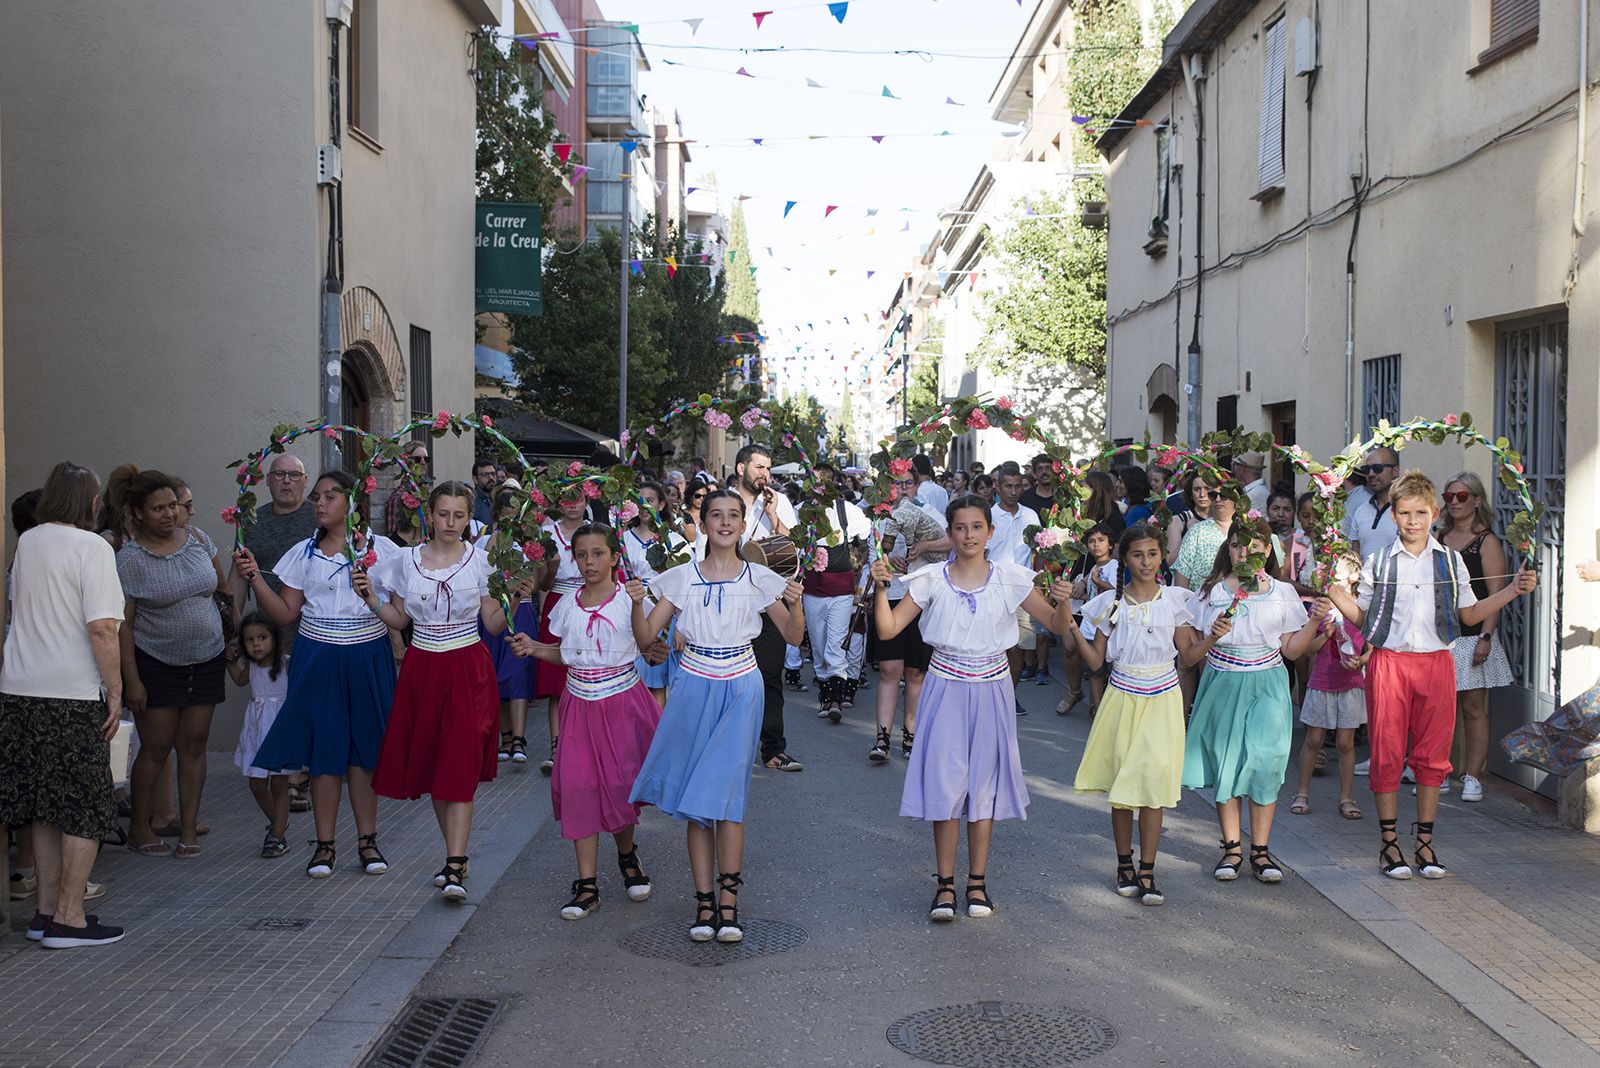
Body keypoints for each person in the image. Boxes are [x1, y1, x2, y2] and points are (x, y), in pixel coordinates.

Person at [1326, 470, 1537, 881]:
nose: (1413, 521)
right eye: (1405, 513)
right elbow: (1365, 619)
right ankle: (1389, 844)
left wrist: (1511, 590)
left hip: (1437, 662)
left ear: (1434, 513)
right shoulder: (1379, 561)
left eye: (1421, 513)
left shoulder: (1450, 560)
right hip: (1390, 663)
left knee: (1433, 755)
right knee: (1387, 752)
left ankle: (1424, 843)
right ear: (1394, 516)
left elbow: (1469, 614)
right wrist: (1333, 592)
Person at [872, 494, 1070, 921]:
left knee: (984, 787)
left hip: (992, 688)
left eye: (977, 527)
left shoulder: (1011, 579)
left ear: (990, 532)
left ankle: (977, 883)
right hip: (944, 686)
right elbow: (888, 629)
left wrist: (1064, 598)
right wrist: (881, 588)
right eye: (960, 528)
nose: (968, 535)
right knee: (946, 786)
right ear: (950, 533)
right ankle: (945, 885)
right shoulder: (931, 579)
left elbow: (1056, 623)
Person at [627, 490, 805, 942]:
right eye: (716, 516)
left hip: (741, 684)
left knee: (724, 793)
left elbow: (792, 636)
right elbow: (647, 637)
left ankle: (729, 902)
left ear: (743, 525)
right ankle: (704, 902)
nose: (725, 523)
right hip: (693, 684)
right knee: (696, 800)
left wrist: (797, 602)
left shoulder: (760, 577)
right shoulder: (681, 576)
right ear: (703, 524)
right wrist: (634, 603)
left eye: (733, 516)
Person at [361, 481, 529, 902]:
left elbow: (492, 624)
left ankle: (455, 863)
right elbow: (399, 620)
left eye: (459, 515)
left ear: (469, 518)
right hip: (422, 667)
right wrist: (370, 600)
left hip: (467, 667)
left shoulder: (482, 562)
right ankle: (455, 855)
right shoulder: (405, 562)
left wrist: (512, 597)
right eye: (443, 514)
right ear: (430, 515)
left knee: (459, 761)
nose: (450, 523)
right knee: (437, 764)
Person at [236, 470, 400, 879]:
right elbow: (285, 614)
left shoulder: (384, 551)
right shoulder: (303, 553)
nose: (320, 504)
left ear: (352, 503)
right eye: (317, 497)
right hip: (318, 656)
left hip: (367, 655)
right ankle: (324, 845)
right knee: (325, 753)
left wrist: (373, 597)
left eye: (330, 496)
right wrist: (254, 576)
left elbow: (401, 614)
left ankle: (368, 841)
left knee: (364, 753)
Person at [0, 461, 126, 947]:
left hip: (19, 688)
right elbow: (102, 627)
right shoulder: (92, 547)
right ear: (92, 502)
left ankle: (45, 913)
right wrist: (114, 690)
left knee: (44, 806)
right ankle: (69, 918)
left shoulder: (29, 541)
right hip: (70, 693)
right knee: (86, 806)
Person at [509, 525, 663, 919]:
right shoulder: (566, 604)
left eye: (598, 554)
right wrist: (535, 648)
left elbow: (647, 644)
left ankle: (627, 855)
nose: (589, 562)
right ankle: (587, 884)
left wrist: (640, 611)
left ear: (615, 557)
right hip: (578, 703)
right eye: (581, 555)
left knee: (619, 787)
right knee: (578, 787)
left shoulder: (628, 598)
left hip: (621, 702)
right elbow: (565, 654)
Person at [1183, 515, 1330, 885]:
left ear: (1267, 552)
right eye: (1236, 545)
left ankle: (1261, 851)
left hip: (1266, 683)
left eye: (1252, 546)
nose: (1243, 552)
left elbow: (1292, 650)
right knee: (1227, 763)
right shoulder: (1212, 591)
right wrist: (1213, 640)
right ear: (1228, 549)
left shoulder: (1282, 592)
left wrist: (1315, 623)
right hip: (1223, 682)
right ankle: (1232, 849)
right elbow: (1192, 649)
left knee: (1264, 762)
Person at [1067, 524, 1209, 906]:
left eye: (1152, 554)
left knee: (1153, 785)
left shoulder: (1175, 600)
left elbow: (1188, 656)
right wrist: (1072, 627)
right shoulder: (1110, 604)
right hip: (1122, 696)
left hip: (1162, 699)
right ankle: (1123, 864)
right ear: (1124, 559)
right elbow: (1095, 661)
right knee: (1123, 786)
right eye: (1137, 555)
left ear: (1162, 556)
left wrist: (1212, 638)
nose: (1146, 562)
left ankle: (1148, 870)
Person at [115, 470, 228, 860]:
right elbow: (123, 625)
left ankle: (189, 829)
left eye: (173, 506)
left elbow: (221, 589)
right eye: (158, 508)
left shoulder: (198, 539)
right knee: (157, 747)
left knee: (194, 745)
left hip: (208, 656)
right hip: (156, 662)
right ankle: (139, 828)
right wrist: (132, 680)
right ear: (138, 513)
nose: (169, 514)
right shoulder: (130, 560)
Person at [1436, 471, 1514, 803]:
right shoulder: (1438, 537)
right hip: (1439, 635)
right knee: (1440, 708)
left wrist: (1486, 636)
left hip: (1473, 634)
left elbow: (1496, 594)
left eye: (1462, 496)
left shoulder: (1487, 541)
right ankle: (1439, 770)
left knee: (1472, 708)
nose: (1454, 502)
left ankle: (1473, 776)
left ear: (1477, 500)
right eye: (1449, 496)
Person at [729, 444, 804, 773]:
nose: (765, 474)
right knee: (731, 676)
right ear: (741, 468)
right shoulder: (724, 501)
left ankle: (773, 748)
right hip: (731, 601)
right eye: (759, 467)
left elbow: (792, 548)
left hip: (768, 600)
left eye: (768, 469)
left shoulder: (779, 501)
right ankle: (733, 746)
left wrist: (774, 517)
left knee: (770, 676)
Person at [869, 484, 949, 762]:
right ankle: (882, 738)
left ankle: (911, 734)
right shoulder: (880, 517)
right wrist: (886, 562)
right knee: (889, 669)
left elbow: (952, 541)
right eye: (897, 483)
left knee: (916, 672)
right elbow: (872, 556)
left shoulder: (930, 512)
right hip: (890, 597)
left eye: (908, 483)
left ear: (916, 485)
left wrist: (926, 546)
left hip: (923, 599)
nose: (902, 488)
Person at [1289, 573, 1369, 820]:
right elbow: (1306, 650)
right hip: (1322, 682)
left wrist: (1360, 661)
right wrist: (1324, 636)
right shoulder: (1321, 606)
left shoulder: (1362, 608)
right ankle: (1302, 793)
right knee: (1314, 740)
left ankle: (1346, 797)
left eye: (1340, 568)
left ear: (1354, 575)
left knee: (1346, 743)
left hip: (1351, 684)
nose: (1333, 576)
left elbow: (1373, 648)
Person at [804, 464, 871, 720]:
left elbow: (867, 535)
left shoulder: (848, 510)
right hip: (812, 589)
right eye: (815, 482)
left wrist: (865, 576)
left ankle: (835, 700)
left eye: (824, 482)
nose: (820, 487)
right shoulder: (803, 511)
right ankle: (825, 695)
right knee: (818, 644)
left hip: (841, 590)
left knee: (835, 644)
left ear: (833, 483)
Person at [228, 612, 294, 858]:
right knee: (256, 783)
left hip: (280, 729)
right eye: (249, 640)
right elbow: (239, 680)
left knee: (279, 784)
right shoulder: (252, 666)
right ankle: (279, 823)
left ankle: (277, 836)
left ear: (275, 639)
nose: (256, 644)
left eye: (262, 638)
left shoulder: (287, 664)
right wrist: (230, 662)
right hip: (257, 730)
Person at [483, 489, 540, 764]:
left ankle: (519, 738)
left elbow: (536, 581)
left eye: (516, 517)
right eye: (507, 518)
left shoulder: (531, 542)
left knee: (518, 671)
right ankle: (505, 737)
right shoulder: (491, 540)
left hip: (523, 608)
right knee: (499, 674)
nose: (512, 523)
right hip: (497, 609)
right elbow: (486, 575)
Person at [534, 494, 589, 774]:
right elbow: (542, 584)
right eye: (566, 500)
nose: (572, 505)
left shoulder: (595, 531)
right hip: (558, 602)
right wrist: (552, 569)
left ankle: (583, 745)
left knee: (587, 672)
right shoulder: (547, 533)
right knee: (557, 682)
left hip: (589, 601)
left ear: (586, 501)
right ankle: (557, 748)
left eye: (577, 499)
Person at [622, 481, 684, 707]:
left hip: (664, 615)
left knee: (657, 683)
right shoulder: (623, 540)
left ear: (661, 505)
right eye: (640, 501)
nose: (644, 506)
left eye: (649, 501)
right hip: (632, 615)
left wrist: (682, 625)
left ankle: (657, 728)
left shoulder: (674, 541)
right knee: (632, 683)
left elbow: (686, 587)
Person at [986, 463, 1042, 700]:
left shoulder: (1030, 515)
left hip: (1022, 591)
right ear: (997, 487)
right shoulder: (988, 516)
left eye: (1018, 486)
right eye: (1008, 486)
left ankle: (1009, 697)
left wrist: (1039, 580)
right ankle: (993, 696)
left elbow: (1039, 550)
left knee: (1019, 648)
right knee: (995, 648)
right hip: (992, 590)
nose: (1013, 491)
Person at [1066, 524, 1119, 713]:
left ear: (1110, 544)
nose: (1096, 545)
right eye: (1091, 541)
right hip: (1089, 626)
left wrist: (1097, 581)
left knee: (1110, 670)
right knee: (1094, 670)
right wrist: (1083, 594)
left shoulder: (1114, 566)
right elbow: (1094, 597)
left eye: (1101, 540)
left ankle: (1108, 709)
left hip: (1106, 627)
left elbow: (1116, 592)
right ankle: (1097, 709)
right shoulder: (1094, 568)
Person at [1343, 447, 1400, 560]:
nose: (1371, 474)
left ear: (1395, 471)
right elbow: (1355, 559)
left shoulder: (1407, 511)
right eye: (1366, 469)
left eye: (1377, 468)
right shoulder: (1361, 511)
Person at [1173, 492, 1236, 590]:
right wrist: (1183, 599)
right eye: (1213, 496)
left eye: (1223, 496)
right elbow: (1182, 571)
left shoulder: (1246, 530)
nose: (1217, 499)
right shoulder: (1196, 531)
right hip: (1199, 597)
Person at [1164, 471, 1213, 566]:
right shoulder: (1178, 521)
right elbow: (1171, 562)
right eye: (1197, 489)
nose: (1202, 494)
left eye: (1207, 489)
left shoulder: (1223, 519)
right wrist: (1189, 535)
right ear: (1190, 493)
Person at [471, 460, 499, 527]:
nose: (491, 477)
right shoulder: (472, 502)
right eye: (485, 474)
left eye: (493, 474)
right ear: (475, 479)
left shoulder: (500, 498)